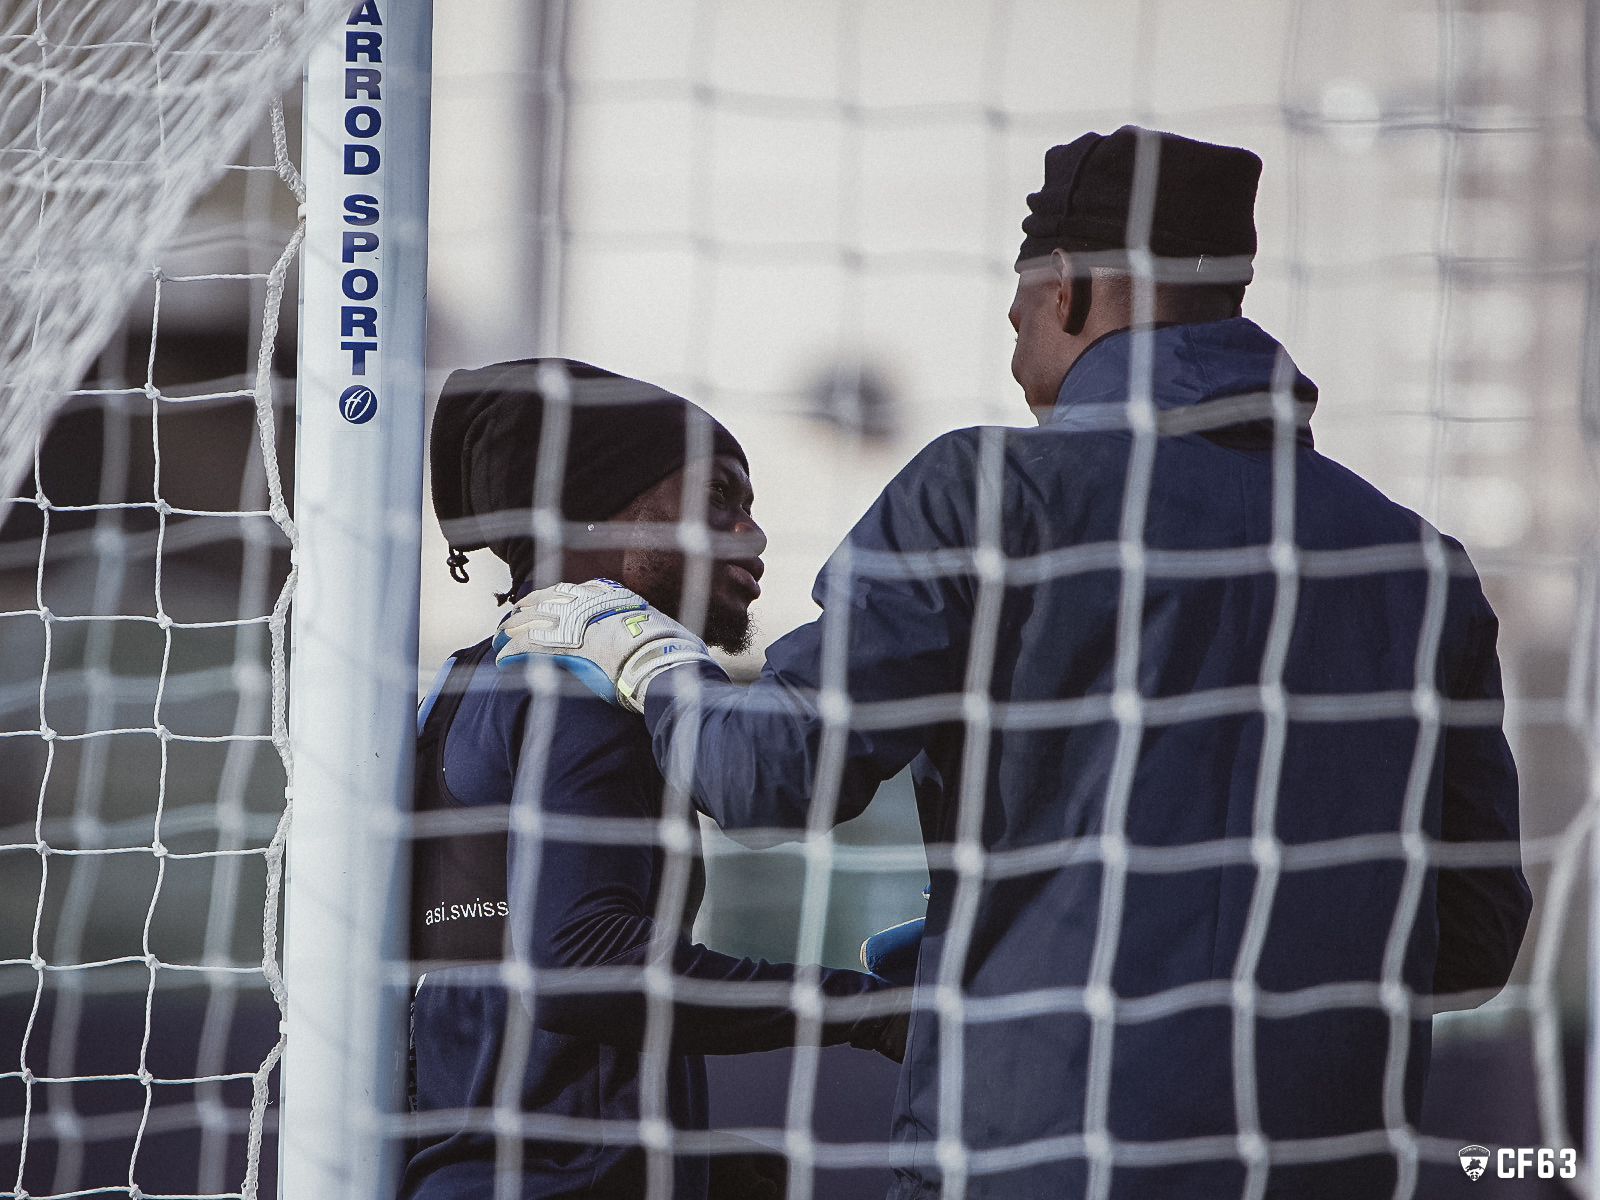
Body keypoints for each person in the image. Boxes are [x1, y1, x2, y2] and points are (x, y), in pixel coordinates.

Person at [491, 130, 1533, 1199]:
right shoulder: (1417, 565)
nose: (1014, 341)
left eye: (1017, 309)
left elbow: (768, 774)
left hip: (1029, 1153)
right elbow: (1472, 938)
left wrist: (643, 650)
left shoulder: (988, 489)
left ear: (1070, 291)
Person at [400, 359, 906, 1200]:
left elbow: (495, 1004)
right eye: (720, 498)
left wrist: (694, 1169)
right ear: (598, 504)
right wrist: (870, 1009)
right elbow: (581, 966)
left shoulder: (460, 686)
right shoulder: (586, 686)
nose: (753, 534)